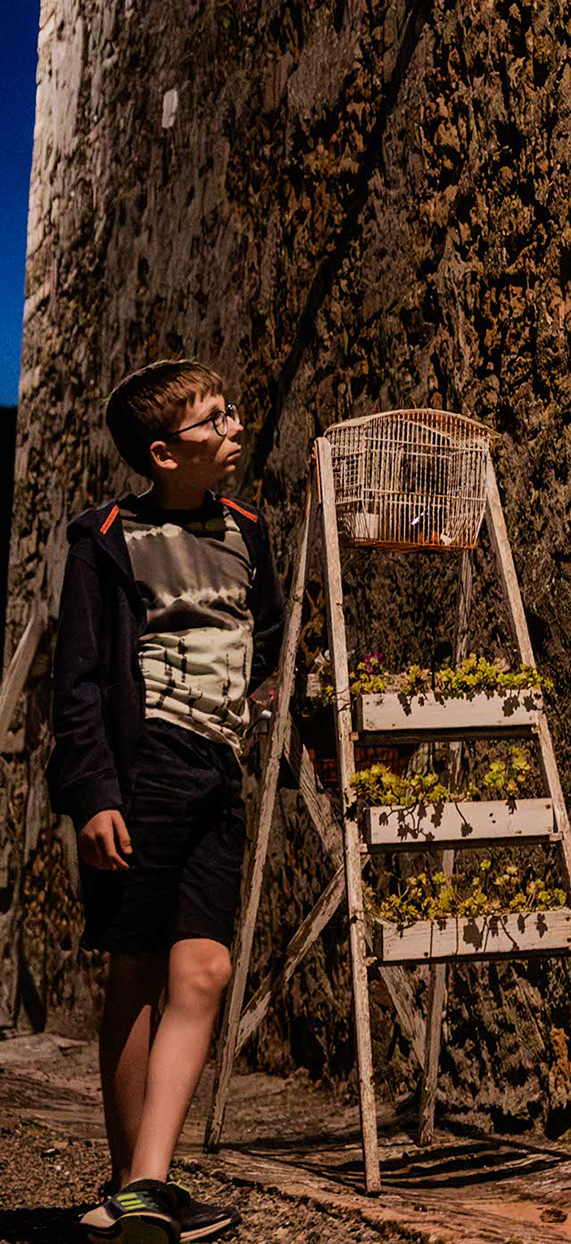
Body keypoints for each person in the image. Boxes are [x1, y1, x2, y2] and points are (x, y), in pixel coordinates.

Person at [51, 360, 284, 1244]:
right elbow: (77, 681)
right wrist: (93, 794)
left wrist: (273, 702)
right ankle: (132, 1186)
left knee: (206, 970)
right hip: (142, 768)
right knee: (139, 969)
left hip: (218, 768)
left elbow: (265, 638)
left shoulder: (248, 529)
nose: (233, 428)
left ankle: (148, 1185)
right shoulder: (105, 538)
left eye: (230, 412)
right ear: (162, 453)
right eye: (212, 420)